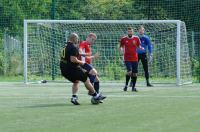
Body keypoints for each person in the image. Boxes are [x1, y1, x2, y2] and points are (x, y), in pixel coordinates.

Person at [60, 33, 105, 105]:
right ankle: (95, 95)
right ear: (74, 38)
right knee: (87, 79)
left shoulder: (65, 47)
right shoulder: (76, 46)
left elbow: (70, 57)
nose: (78, 40)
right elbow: (73, 59)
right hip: (73, 68)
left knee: (76, 81)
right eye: (77, 39)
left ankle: (74, 97)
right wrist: (82, 62)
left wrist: (91, 57)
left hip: (64, 69)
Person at [120, 27, 144, 92]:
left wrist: (141, 48)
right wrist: (121, 50)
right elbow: (121, 46)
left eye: (131, 31)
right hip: (127, 58)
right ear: (127, 32)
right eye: (129, 31)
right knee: (129, 72)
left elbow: (139, 46)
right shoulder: (123, 39)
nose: (130, 32)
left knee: (135, 74)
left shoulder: (136, 38)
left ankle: (133, 87)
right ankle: (126, 85)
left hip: (135, 58)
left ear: (133, 32)